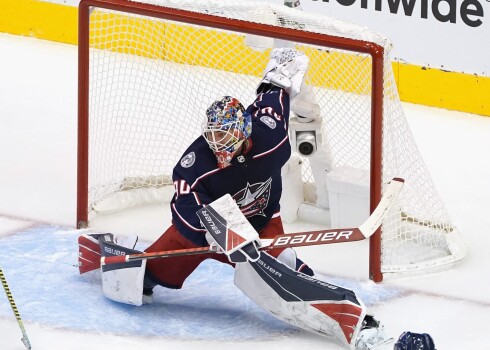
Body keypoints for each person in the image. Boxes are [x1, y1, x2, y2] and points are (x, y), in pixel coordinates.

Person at [78, 48, 389, 350]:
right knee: (140, 280)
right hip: (206, 226)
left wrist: (280, 70)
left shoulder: (271, 138)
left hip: (262, 224)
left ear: (243, 132)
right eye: (212, 135)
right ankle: (111, 250)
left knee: (280, 277)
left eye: (225, 137)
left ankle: (351, 317)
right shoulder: (195, 164)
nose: (217, 144)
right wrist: (214, 233)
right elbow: (183, 208)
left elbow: (275, 96)